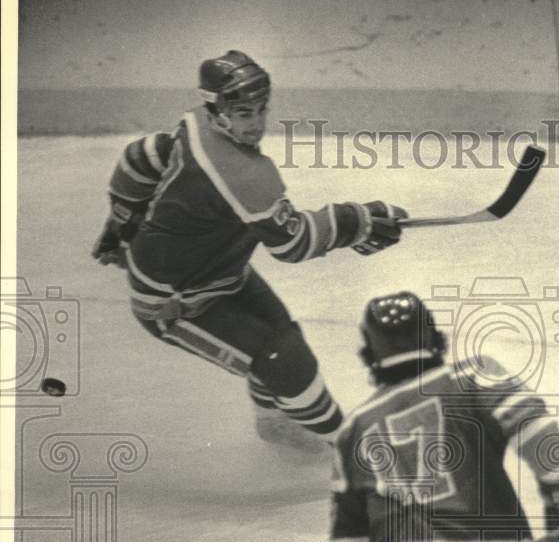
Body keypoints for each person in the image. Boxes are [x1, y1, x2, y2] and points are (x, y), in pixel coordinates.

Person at [91, 49, 409, 451]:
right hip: (175, 301)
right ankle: (354, 454)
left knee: (283, 336)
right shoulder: (241, 174)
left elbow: (143, 157)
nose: (256, 124)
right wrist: (357, 220)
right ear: (218, 109)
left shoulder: (195, 123)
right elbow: (293, 243)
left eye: (261, 110)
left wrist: (121, 224)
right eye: (244, 113)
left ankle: (275, 426)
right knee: (286, 360)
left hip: (222, 275)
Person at [326, 292, 559, 542]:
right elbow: (541, 437)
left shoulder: (352, 428)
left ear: (369, 354)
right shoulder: (473, 376)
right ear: (433, 337)